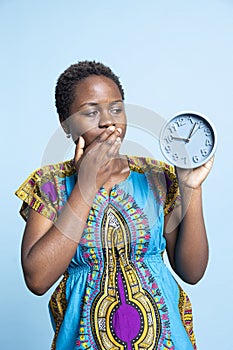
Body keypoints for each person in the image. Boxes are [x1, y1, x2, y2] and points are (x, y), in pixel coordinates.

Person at [15, 60, 213, 350]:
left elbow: (192, 272)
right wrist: (85, 186)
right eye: (91, 112)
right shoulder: (49, 184)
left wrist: (190, 188)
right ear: (66, 124)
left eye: (116, 109)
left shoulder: (156, 177)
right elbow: (37, 279)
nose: (108, 121)